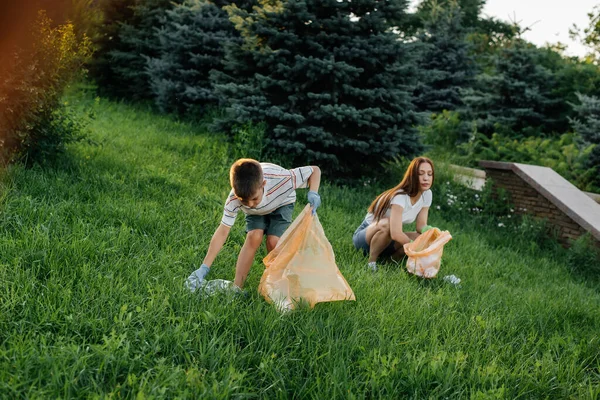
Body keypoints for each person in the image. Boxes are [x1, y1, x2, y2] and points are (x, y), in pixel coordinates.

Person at [186, 158, 322, 292]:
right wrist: (204, 266)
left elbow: (314, 170)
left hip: (282, 203)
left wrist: (313, 192)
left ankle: (279, 285)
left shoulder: (282, 178)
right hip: (259, 211)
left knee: (273, 241)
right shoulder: (234, 198)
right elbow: (222, 231)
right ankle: (237, 287)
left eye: (254, 198)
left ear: (263, 184)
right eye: (244, 201)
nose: (250, 204)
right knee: (253, 237)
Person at [352, 157, 435, 271]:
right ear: (413, 176)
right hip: (365, 239)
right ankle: (371, 263)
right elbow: (396, 234)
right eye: (421, 174)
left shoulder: (427, 194)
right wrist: (413, 246)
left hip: (387, 241)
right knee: (387, 223)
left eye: (429, 174)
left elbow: (420, 226)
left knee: (421, 238)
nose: (426, 178)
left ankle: (389, 263)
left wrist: (432, 234)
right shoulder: (400, 196)